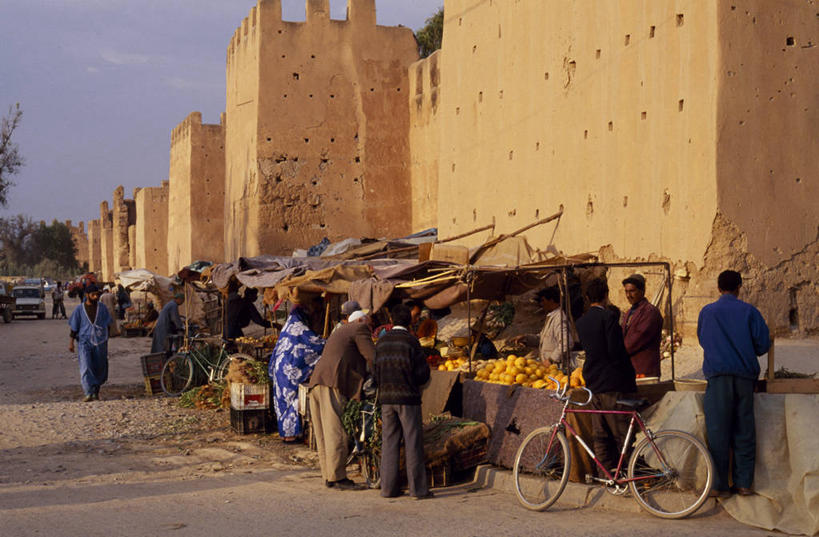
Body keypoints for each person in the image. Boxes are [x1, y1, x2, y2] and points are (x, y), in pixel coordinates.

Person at [697, 270, 770, 498]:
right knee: (744, 430)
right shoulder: (750, 311)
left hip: (718, 379)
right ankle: (743, 484)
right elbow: (762, 344)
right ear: (739, 287)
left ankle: (718, 485)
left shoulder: (707, 312)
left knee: (718, 431)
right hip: (745, 379)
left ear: (719, 288)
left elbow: (702, 340)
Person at [575, 278, 637, 475]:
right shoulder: (608, 318)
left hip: (593, 383)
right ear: (606, 295)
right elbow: (616, 351)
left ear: (587, 298)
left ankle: (605, 475)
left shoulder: (582, 322)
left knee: (600, 434)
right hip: (612, 383)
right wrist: (628, 377)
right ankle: (630, 475)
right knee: (621, 434)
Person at [308, 309, 375, 490]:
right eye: (369, 324)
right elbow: (372, 357)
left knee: (323, 434)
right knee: (336, 432)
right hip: (331, 383)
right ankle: (338, 478)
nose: (370, 328)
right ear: (361, 320)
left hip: (317, 382)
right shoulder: (359, 328)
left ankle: (329, 475)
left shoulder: (341, 331)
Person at [374, 303, 433, 500]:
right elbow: (422, 373)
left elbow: (374, 373)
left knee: (389, 442)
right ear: (410, 322)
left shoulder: (381, 342)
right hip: (408, 399)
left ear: (391, 321)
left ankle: (388, 489)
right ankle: (418, 490)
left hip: (387, 399)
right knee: (412, 443)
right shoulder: (411, 342)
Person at [269, 296, 325, 442]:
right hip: (288, 369)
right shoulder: (298, 326)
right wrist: (326, 342)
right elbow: (312, 344)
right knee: (290, 401)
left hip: (281, 368)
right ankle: (290, 435)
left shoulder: (290, 324)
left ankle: (287, 434)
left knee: (283, 402)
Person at [68, 284, 112, 402]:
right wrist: (71, 343)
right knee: (86, 366)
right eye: (93, 295)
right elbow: (74, 328)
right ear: (87, 295)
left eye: (97, 294)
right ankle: (88, 392)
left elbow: (108, 324)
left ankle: (95, 392)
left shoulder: (102, 308)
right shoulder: (79, 309)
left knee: (99, 367)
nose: (96, 297)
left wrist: (106, 339)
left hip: (100, 342)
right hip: (84, 342)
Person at [512, 286, 574, 365]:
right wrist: (526, 338)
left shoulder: (560, 318)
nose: (541, 304)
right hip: (548, 366)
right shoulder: (551, 316)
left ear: (551, 300)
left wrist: (551, 359)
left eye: (543, 300)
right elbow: (541, 338)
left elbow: (567, 343)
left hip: (556, 367)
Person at [621, 274, 663, 378]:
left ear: (642, 291)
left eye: (632, 291)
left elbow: (638, 337)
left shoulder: (650, 312)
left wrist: (617, 352)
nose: (628, 295)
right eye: (626, 291)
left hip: (644, 368)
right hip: (630, 368)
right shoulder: (629, 312)